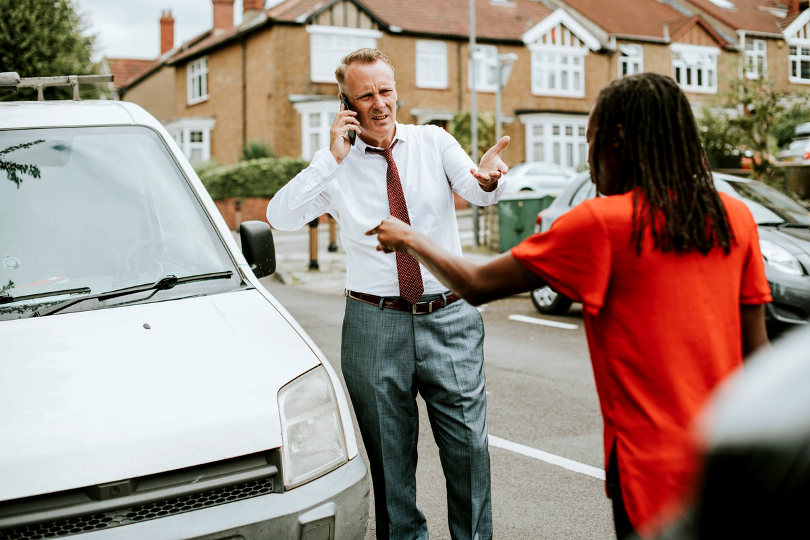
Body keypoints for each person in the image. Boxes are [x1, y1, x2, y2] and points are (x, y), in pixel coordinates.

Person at [367, 72, 772, 539]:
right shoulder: (733, 217)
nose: (587, 156)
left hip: (651, 472)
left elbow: (476, 284)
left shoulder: (602, 224)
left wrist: (408, 235)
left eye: (590, 139)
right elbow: (758, 352)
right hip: (735, 461)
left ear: (616, 141)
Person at [266, 48, 510, 540]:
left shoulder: (433, 141)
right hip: (375, 326)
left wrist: (488, 180)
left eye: (386, 91)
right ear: (346, 103)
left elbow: (478, 187)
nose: (380, 103)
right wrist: (330, 158)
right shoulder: (334, 168)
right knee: (390, 463)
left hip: (449, 316)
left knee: (470, 451)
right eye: (366, 95)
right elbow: (280, 217)